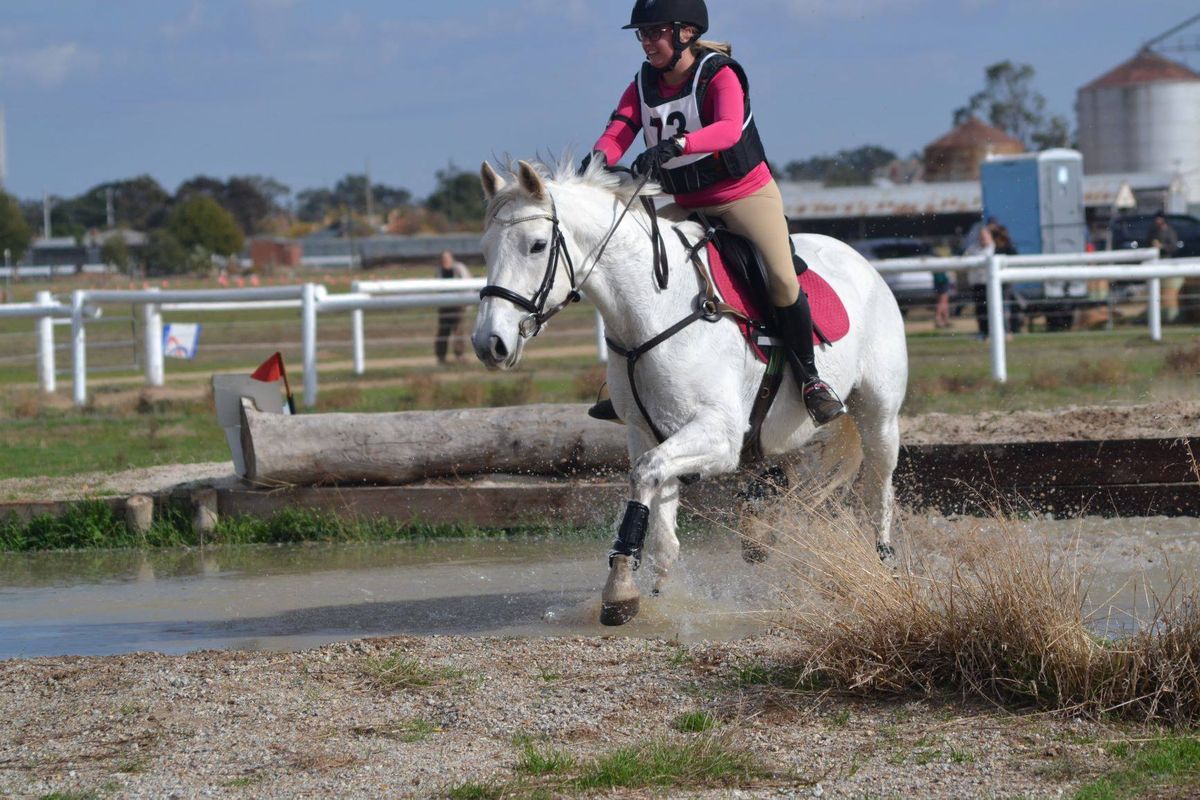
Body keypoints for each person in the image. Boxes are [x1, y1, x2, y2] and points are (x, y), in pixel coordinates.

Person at [580, 0, 844, 425]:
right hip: (681, 200)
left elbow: (726, 128)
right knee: (628, 256)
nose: (646, 43)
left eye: (654, 32)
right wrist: (596, 160)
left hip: (741, 196)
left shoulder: (719, 73)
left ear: (685, 32)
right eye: (642, 34)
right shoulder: (643, 82)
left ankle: (811, 379)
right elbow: (621, 128)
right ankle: (628, 382)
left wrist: (677, 145)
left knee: (780, 277)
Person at [434, 250, 471, 364]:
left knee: (459, 331)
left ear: (451, 258)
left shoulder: (459, 268)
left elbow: (468, 283)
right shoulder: (439, 270)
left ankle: (459, 355)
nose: (444, 260)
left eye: (446, 258)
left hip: (459, 304)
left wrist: (467, 302)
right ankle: (441, 357)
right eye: (443, 258)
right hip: (444, 305)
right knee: (443, 331)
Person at [964, 218, 996, 339]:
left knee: (991, 309)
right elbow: (964, 260)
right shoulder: (973, 248)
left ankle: (991, 332)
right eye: (981, 236)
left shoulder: (993, 248)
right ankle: (982, 332)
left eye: (985, 236)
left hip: (990, 284)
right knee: (980, 309)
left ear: (989, 236)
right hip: (977, 283)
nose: (982, 238)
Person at [1149, 212, 1184, 323]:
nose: (1156, 221)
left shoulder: (1169, 231)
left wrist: (1162, 246)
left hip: (1166, 260)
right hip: (1156, 261)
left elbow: (1173, 247)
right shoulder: (1154, 231)